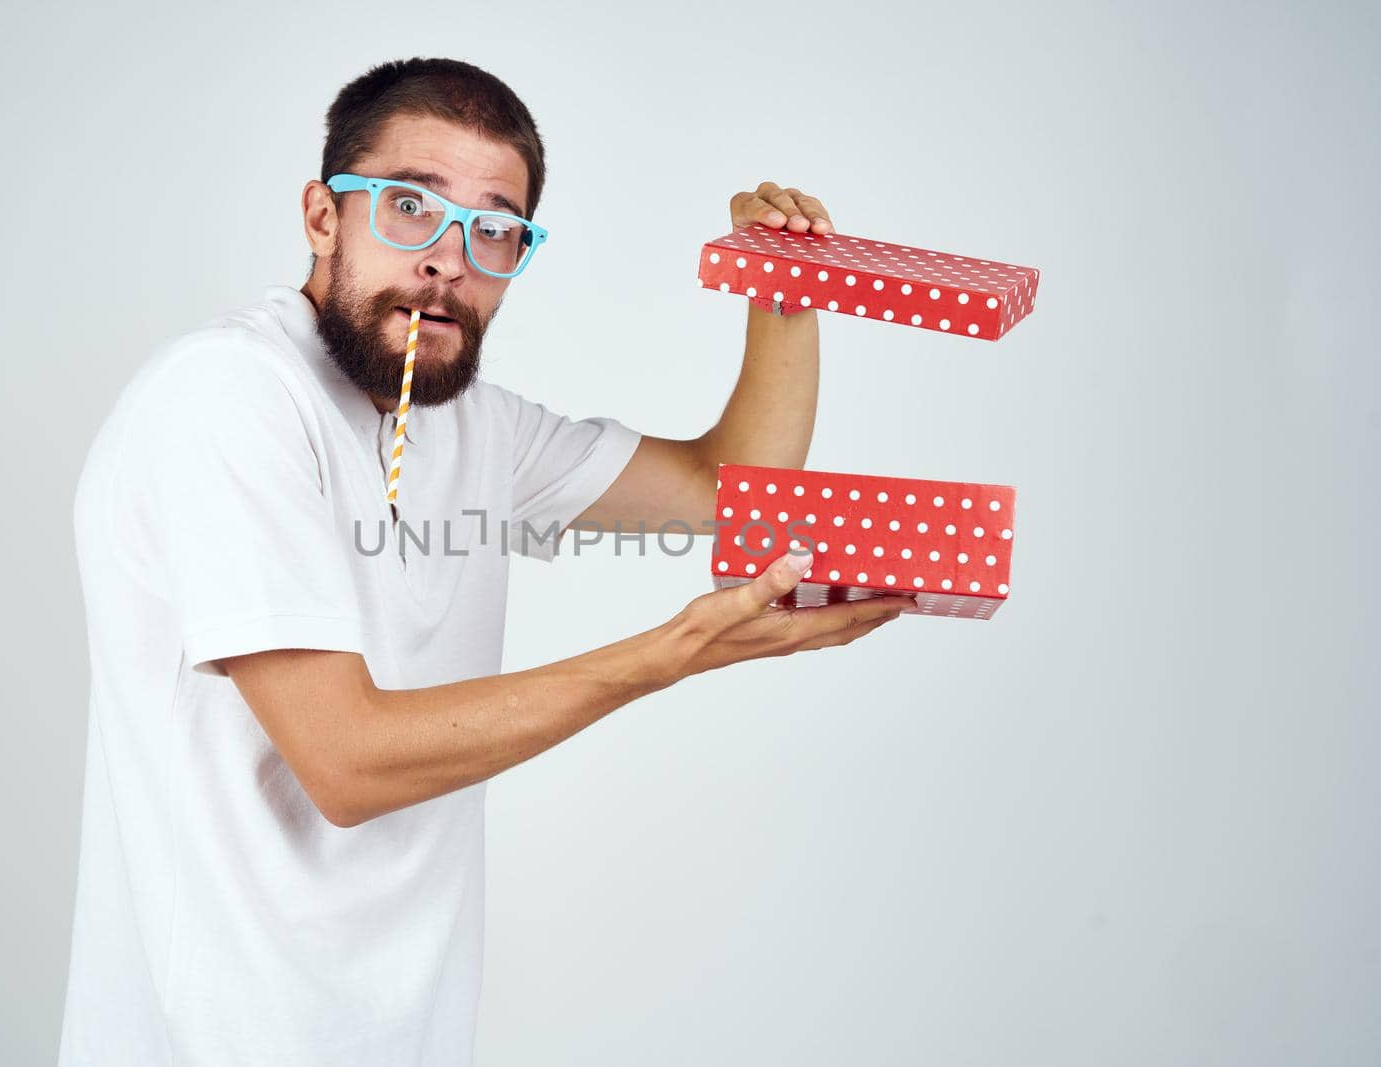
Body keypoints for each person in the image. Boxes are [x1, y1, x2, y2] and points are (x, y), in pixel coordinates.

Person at [58, 56, 917, 1067]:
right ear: (322, 216)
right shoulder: (226, 397)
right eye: (408, 207)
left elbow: (732, 484)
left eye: (494, 228)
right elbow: (345, 760)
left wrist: (784, 282)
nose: (447, 259)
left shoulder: (474, 428)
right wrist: (670, 653)